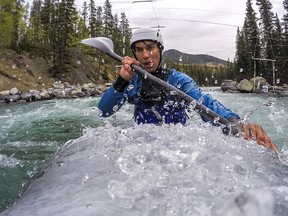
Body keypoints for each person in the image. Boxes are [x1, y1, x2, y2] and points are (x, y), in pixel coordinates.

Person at [98, 28, 276, 151]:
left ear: (160, 50)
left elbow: (204, 103)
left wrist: (235, 123)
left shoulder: (179, 80)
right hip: (140, 144)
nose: (146, 55)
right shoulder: (131, 80)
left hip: (177, 145)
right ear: (134, 54)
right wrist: (122, 80)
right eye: (139, 50)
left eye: (151, 48)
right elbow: (103, 112)